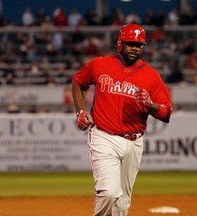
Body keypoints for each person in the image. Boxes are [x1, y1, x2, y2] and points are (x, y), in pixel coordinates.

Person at [72, 24, 172, 216]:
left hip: (134, 142)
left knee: (122, 204)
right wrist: (80, 112)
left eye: (139, 45)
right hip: (104, 136)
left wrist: (151, 105)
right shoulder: (100, 65)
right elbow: (78, 81)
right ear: (120, 44)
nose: (135, 48)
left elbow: (166, 113)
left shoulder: (151, 75)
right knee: (109, 193)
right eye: (130, 43)